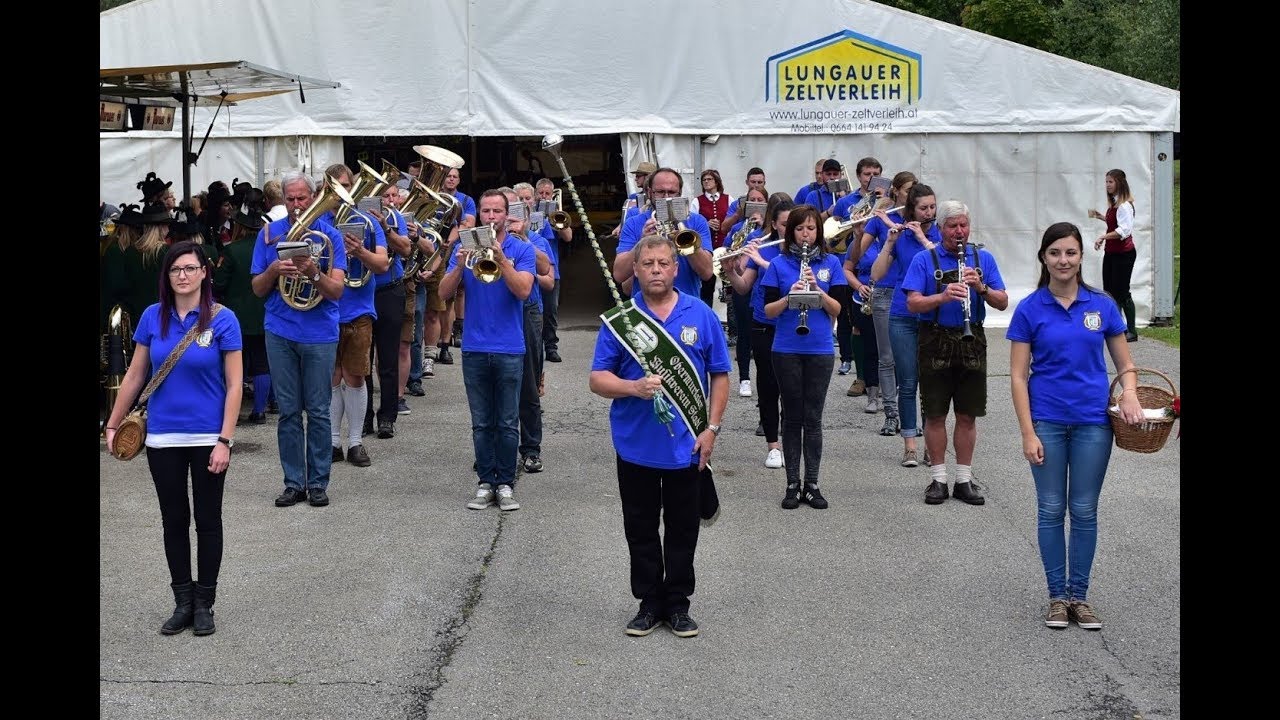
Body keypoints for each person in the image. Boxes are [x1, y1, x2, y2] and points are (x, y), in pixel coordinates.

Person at [589, 234, 730, 638]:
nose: (655, 269)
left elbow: (720, 375)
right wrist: (633, 388)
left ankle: (678, 604)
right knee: (641, 527)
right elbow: (597, 379)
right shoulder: (622, 321)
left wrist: (712, 429)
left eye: (663, 263)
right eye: (647, 263)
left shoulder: (700, 314)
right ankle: (649, 602)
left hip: (688, 444)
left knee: (684, 528)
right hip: (635, 445)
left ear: (675, 267)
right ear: (635, 270)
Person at [1008, 221, 1144, 630]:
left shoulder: (1101, 305)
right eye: (1055, 253)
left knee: (1083, 510)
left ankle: (1079, 598)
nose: (1063, 260)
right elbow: (1017, 376)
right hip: (1047, 421)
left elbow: (1125, 365)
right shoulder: (1030, 308)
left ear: (1082, 256)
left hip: (1092, 424)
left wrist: (1131, 392)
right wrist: (1027, 432)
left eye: (1070, 252)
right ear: (1044, 259)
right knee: (1051, 509)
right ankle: (1056, 597)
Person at [104, 240, 243, 637]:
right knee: (174, 521)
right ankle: (182, 601)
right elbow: (134, 376)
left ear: (204, 272)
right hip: (162, 437)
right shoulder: (152, 317)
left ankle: (205, 604)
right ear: (167, 277)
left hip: (207, 437)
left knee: (208, 520)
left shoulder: (223, 319)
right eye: (175, 270)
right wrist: (112, 425)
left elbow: (235, 385)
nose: (182, 275)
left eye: (189, 268)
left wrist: (225, 440)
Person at [250, 171, 348, 508]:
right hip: (280, 329)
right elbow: (257, 289)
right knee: (289, 412)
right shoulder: (268, 235)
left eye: (301, 198)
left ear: (312, 198)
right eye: (289, 199)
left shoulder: (330, 237)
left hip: (320, 332)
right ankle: (293, 482)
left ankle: (318, 482)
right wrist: (274, 270)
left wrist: (313, 273)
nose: (295, 205)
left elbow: (336, 292)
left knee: (319, 411)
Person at [902, 200, 1008, 506]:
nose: (959, 232)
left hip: (971, 338)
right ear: (940, 228)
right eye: (952, 226)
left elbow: (1002, 302)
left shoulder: (982, 258)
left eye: (963, 225)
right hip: (934, 339)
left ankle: (963, 479)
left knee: (967, 414)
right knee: (935, 413)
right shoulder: (925, 259)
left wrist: (982, 288)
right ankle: (938, 479)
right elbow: (912, 303)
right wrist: (943, 295)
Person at [438, 189, 537, 511]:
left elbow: (523, 291)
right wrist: (457, 267)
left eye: (497, 212)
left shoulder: (521, 250)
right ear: (479, 215)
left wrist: (502, 258)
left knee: (507, 422)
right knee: (481, 422)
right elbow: (442, 294)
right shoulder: (464, 247)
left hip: (509, 347)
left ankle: (505, 483)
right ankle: (485, 481)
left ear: (507, 216)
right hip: (474, 347)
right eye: (486, 212)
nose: (491, 217)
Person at [761, 204, 846, 509]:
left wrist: (818, 290)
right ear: (790, 232)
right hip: (785, 348)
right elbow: (768, 311)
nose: (806, 234)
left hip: (820, 349)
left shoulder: (832, 263)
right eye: (799, 228)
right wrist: (791, 295)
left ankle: (812, 483)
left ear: (818, 231)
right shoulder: (778, 265)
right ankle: (791, 484)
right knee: (792, 415)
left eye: (811, 228)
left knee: (813, 418)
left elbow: (838, 310)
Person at [322, 164, 390, 466]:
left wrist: (359, 251)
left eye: (346, 185)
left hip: (359, 309)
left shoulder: (366, 222)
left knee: (355, 376)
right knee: (332, 377)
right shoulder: (317, 221)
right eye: (334, 186)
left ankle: (355, 442)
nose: (341, 192)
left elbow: (382, 265)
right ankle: (334, 441)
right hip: (325, 309)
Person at [871, 183, 940, 465]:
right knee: (908, 381)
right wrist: (889, 242)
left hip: (932, 314)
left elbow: (942, 266)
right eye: (923, 208)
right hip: (901, 313)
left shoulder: (938, 233)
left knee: (931, 383)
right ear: (911, 209)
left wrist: (923, 237)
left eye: (932, 207)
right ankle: (910, 445)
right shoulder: (900, 235)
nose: (929, 212)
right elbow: (876, 274)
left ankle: (931, 447)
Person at [724, 194, 793, 468]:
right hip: (763, 323)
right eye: (786, 224)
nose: (791, 230)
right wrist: (730, 270)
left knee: (792, 386)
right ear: (774, 225)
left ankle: (790, 437)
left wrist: (766, 265)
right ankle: (773, 445)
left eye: (796, 224)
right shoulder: (763, 247)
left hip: (793, 325)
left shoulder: (806, 252)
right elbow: (743, 287)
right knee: (767, 383)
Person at [852, 171, 916, 412]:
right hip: (885, 290)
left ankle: (906, 402)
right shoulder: (879, 219)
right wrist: (858, 236)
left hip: (911, 291)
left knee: (908, 355)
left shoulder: (917, 218)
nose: (911, 195)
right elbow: (855, 257)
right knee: (886, 355)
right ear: (896, 191)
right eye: (908, 190)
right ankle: (885, 403)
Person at [213, 189, 272, 424]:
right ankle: (259, 411)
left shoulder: (230, 250)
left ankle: (234, 412)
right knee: (261, 362)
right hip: (263, 312)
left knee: (234, 363)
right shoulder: (267, 249)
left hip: (235, 315)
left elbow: (219, 283)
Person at [508, 185, 556, 474]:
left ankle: (530, 448)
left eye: (516, 214)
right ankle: (499, 447)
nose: (510, 220)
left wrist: (524, 240)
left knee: (527, 384)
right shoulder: (490, 240)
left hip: (528, 311)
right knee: (500, 385)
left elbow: (549, 280)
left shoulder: (536, 240)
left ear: (526, 217)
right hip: (498, 313)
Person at [612, 167, 715, 300]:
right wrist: (642, 242)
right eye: (660, 192)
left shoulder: (697, 221)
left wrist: (685, 239)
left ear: (679, 193)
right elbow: (619, 274)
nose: (666, 197)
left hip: (686, 304)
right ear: (650, 192)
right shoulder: (633, 223)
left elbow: (707, 273)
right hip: (644, 307)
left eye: (672, 192)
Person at [720, 184, 769, 399]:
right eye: (752, 200)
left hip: (761, 285)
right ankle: (744, 379)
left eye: (760, 200)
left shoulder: (768, 233)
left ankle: (764, 378)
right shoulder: (737, 228)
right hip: (742, 280)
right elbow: (725, 249)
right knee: (743, 333)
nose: (756, 204)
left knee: (761, 335)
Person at [1088, 169, 1139, 342]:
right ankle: (1117, 328)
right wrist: (1100, 216)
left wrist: (1103, 236)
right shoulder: (1115, 203)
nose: (1107, 185)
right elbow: (1115, 223)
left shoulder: (1125, 205)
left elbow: (1124, 230)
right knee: (1109, 291)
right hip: (1112, 253)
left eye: (1110, 182)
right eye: (1106, 182)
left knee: (1122, 292)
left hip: (1124, 254)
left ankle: (1131, 331)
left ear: (1119, 183)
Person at [535, 178, 571, 363]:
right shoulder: (528, 213)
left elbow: (568, 237)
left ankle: (551, 347)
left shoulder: (557, 214)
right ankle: (535, 347)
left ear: (552, 195)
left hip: (551, 270)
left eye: (547, 193)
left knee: (550, 311)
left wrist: (557, 217)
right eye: (540, 193)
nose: (543, 196)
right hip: (530, 268)